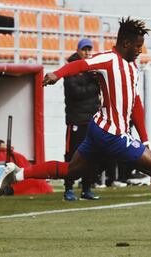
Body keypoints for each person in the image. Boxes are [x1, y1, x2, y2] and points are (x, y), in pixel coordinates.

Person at [0, 17, 151, 239]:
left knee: (73, 170)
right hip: (111, 134)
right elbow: (80, 64)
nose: (140, 50)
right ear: (125, 43)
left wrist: (144, 140)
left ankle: (18, 174)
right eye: (137, 46)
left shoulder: (133, 67)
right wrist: (58, 74)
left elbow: (135, 104)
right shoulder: (108, 59)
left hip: (100, 130)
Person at [0, 89, 53, 195]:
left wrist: (0, 144)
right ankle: (30, 181)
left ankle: (33, 178)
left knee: (19, 157)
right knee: (15, 159)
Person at [62, 38, 100, 201]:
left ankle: (86, 188)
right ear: (78, 50)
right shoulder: (70, 69)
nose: (87, 52)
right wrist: (95, 86)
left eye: (89, 49)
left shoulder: (92, 69)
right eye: (84, 49)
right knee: (72, 155)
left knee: (91, 155)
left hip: (91, 120)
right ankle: (68, 188)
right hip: (76, 120)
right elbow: (76, 92)